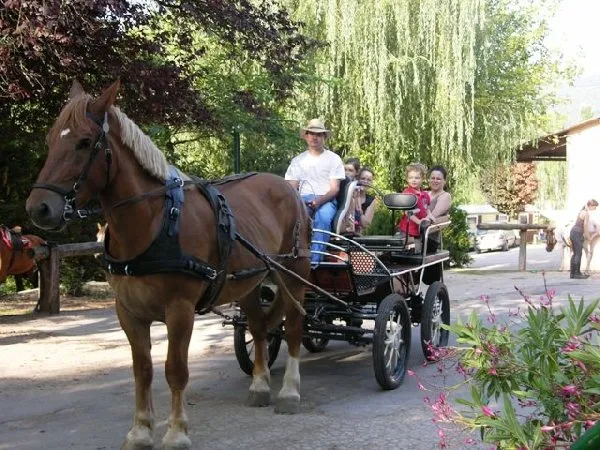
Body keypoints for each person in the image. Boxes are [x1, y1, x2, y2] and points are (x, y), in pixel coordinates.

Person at [285, 119, 345, 263]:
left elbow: (334, 189)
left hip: (326, 199)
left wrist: (318, 201)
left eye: (318, 134)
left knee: (323, 220)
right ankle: (286, 261)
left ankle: (314, 263)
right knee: (288, 221)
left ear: (324, 137)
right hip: (302, 199)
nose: (314, 137)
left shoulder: (333, 159)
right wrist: (296, 202)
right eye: (311, 133)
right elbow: (291, 187)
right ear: (306, 136)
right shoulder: (298, 161)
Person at [397, 163, 430, 239]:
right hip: (407, 230)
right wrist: (419, 222)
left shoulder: (425, 194)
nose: (413, 180)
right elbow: (407, 212)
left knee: (419, 249)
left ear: (423, 178)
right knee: (406, 249)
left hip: (420, 230)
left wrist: (430, 217)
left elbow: (427, 209)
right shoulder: (407, 194)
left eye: (417, 178)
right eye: (411, 178)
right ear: (407, 179)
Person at [425, 165, 452, 253]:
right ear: (428, 180)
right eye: (432, 178)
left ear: (444, 181)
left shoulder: (445, 196)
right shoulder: (424, 194)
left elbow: (433, 216)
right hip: (413, 236)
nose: (435, 181)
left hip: (429, 239)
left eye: (438, 179)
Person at [570, 199, 599, 279]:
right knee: (578, 253)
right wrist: (589, 237)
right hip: (577, 233)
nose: (595, 209)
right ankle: (576, 273)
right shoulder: (586, 213)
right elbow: (585, 227)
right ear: (591, 206)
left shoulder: (582, 211)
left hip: (573, 232)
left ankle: (573, 273)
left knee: (575, 253)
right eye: (595, 207)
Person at [351, 167, 377, 235]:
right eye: (363, 178)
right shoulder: (348, 195)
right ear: (357, 179)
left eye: (369, 180)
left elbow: (366, 225)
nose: (365, 181)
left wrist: (360, 211)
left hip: (359, 235)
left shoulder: (371, 200)